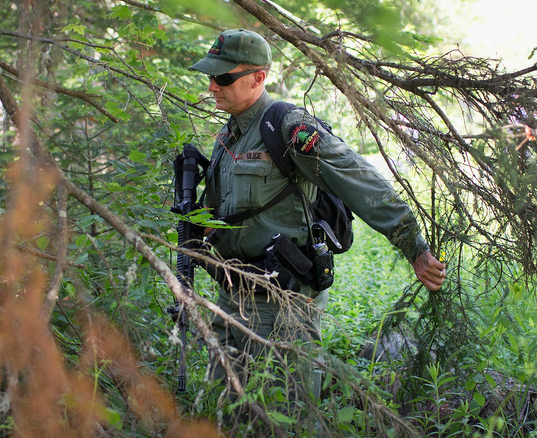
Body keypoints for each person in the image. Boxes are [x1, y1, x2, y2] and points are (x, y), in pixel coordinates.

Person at [188, 29, 447, 431]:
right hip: (231, 295)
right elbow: (221, 211)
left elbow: (361, 182)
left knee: (287, 417)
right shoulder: (229, 136)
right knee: (229, 414)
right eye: (211, 76)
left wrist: (414, 246)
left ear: (258, 78)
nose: (212, 86)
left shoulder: (289, 129)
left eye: (223, 78)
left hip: (284, 302)